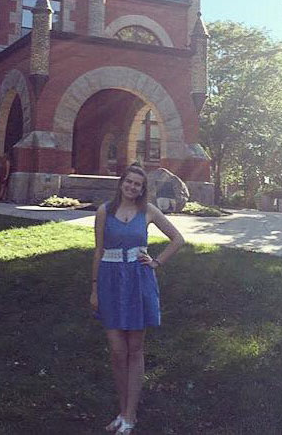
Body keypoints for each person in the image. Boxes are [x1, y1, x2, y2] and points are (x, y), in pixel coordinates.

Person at [90, 164, 185, 433]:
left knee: (134, 350)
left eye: (138, 184)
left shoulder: (148, 211)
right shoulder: (104, 211)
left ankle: (130, 415)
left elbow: (178, 239)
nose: (132, 187)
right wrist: (94, 288)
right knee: (117, 352)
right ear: (121, 183)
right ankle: (122, 411)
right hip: (109, 281)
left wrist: (156, 262)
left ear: (143, 189)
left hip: (138, 282)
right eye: (129, 182)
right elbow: (98, 251)